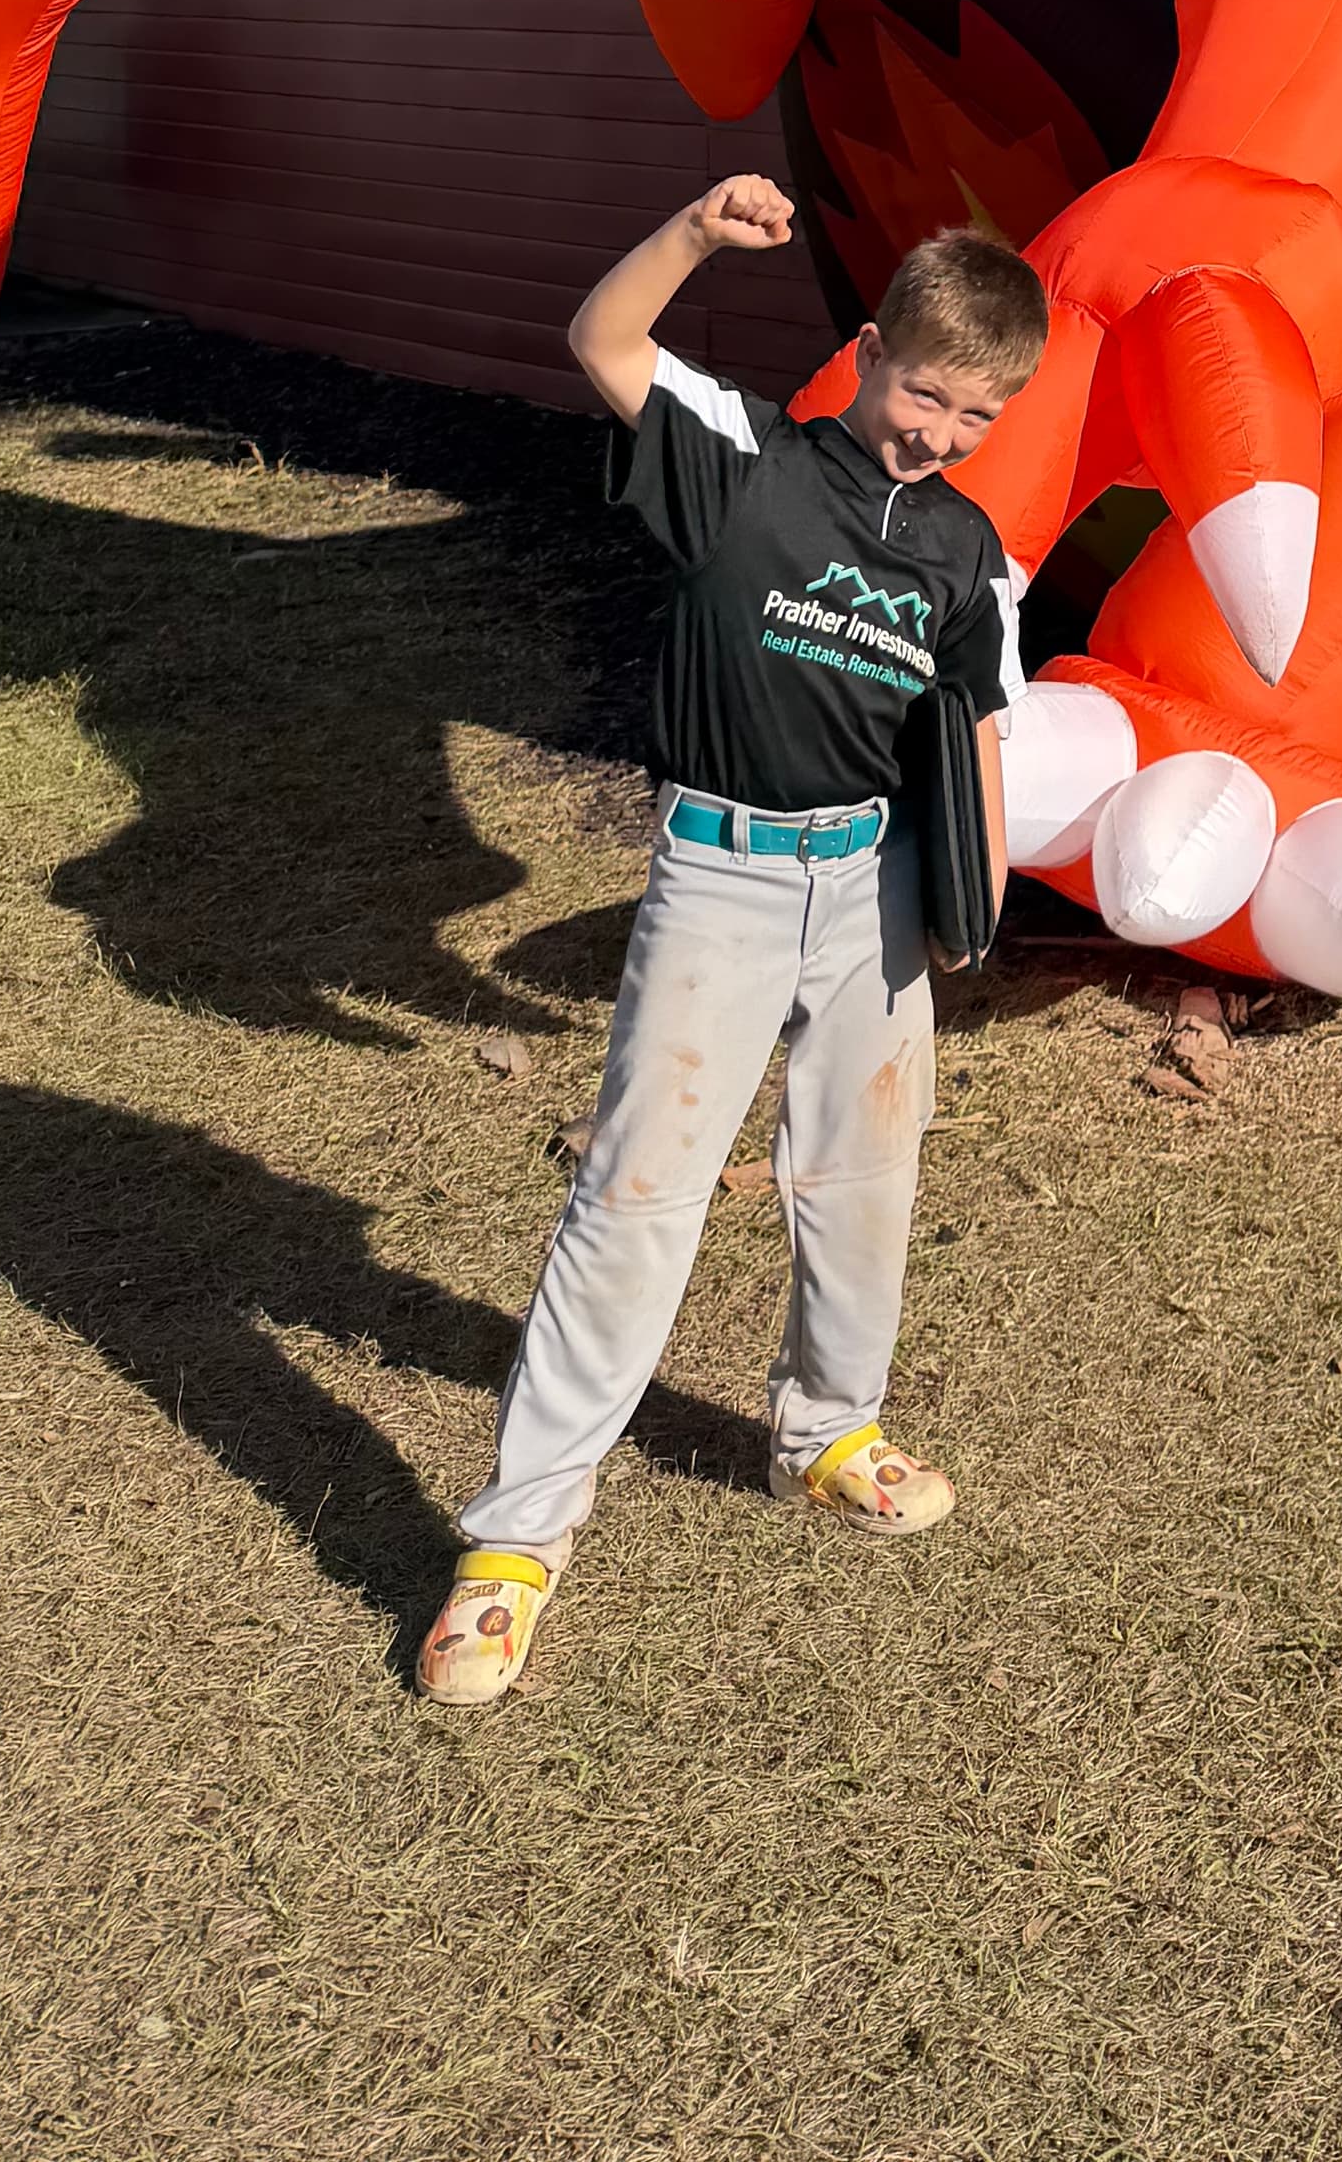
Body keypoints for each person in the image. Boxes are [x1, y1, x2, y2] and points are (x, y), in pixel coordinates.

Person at [415, 179, 1038, 1711]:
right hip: (725, 877)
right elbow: (601, 337)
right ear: (869, 352)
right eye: (921, 393)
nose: (935, 437)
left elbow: (976, 726)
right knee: (636, 1201)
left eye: (976, 414)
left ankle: (829, 1429)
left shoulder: (968, 546)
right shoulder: (743, 458)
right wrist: (693, 238)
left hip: (875, 891)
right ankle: (513, 1549)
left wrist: (980, 901)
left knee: (865, 1174)